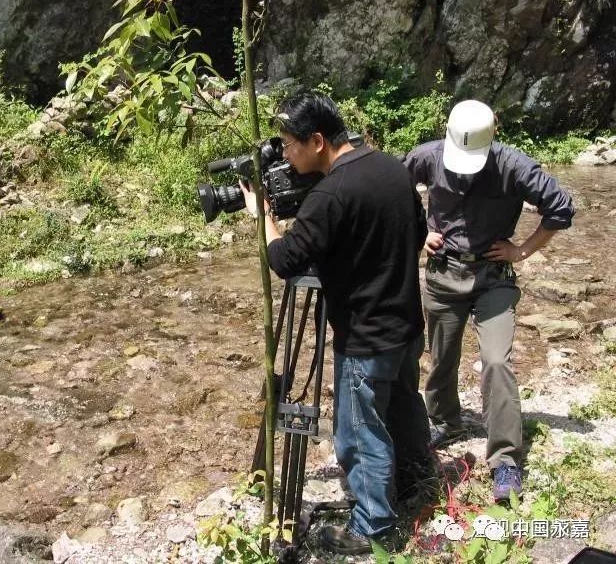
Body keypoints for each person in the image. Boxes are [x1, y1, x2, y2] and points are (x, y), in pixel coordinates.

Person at [240, 91, 431, 556]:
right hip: (405, 325)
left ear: (318, 141)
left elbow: (284, 260)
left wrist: (263, 216)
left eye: (289, 145)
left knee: (360, 434)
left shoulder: (330, 195)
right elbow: (419, 231)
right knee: (403, 408)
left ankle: (374, 527)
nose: (285, 154)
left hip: (365, 337)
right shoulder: (391, 168)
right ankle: (416, 481)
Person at [403, 99, 575, 501]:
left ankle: (506, 460)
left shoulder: (514, 165)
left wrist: (524, 250)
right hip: (444, 272)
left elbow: (561, 207)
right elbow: (395, 190)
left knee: (496, 361)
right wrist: (419, 231)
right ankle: (445, 420)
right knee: (441, 355)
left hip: (493, 277)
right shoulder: (427, 156)